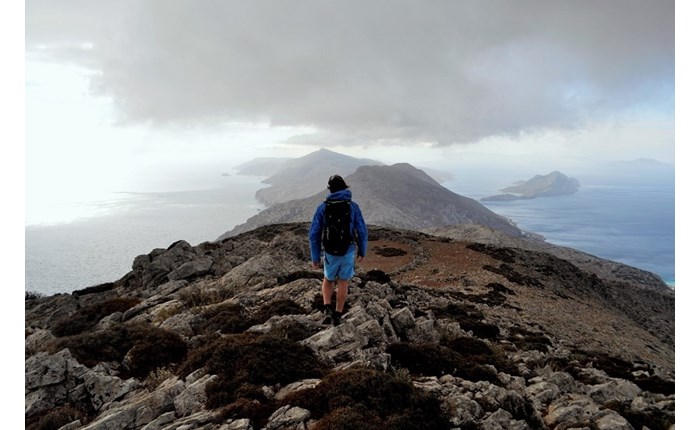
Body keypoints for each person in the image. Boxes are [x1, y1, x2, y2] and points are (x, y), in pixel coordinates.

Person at [309, 174, 368, 326]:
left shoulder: (323, 207)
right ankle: (338, 314)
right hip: (348, 251)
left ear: (330, 189)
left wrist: (315, 257)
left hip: (330, 252)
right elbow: (362, 231)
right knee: (343, 281)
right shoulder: (353, 206)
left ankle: (327, 307)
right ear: (345, 187)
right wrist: (362, 251)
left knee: (328, 279)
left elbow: (314, 234)